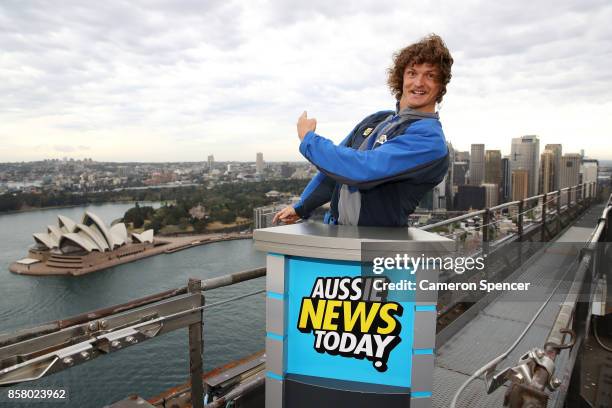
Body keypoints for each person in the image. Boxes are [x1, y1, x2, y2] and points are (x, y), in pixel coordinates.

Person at [273, 34, 453, 227]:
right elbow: (333, 172)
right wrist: (302, 206)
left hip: (375, 245)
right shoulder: (377, 119)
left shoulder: (429, 140)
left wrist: (309, 139)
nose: (418, 82)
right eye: (412, 73)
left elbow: (362, 170)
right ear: (401, 78)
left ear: (441, 86)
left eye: (430, 75)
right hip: (338, 232)